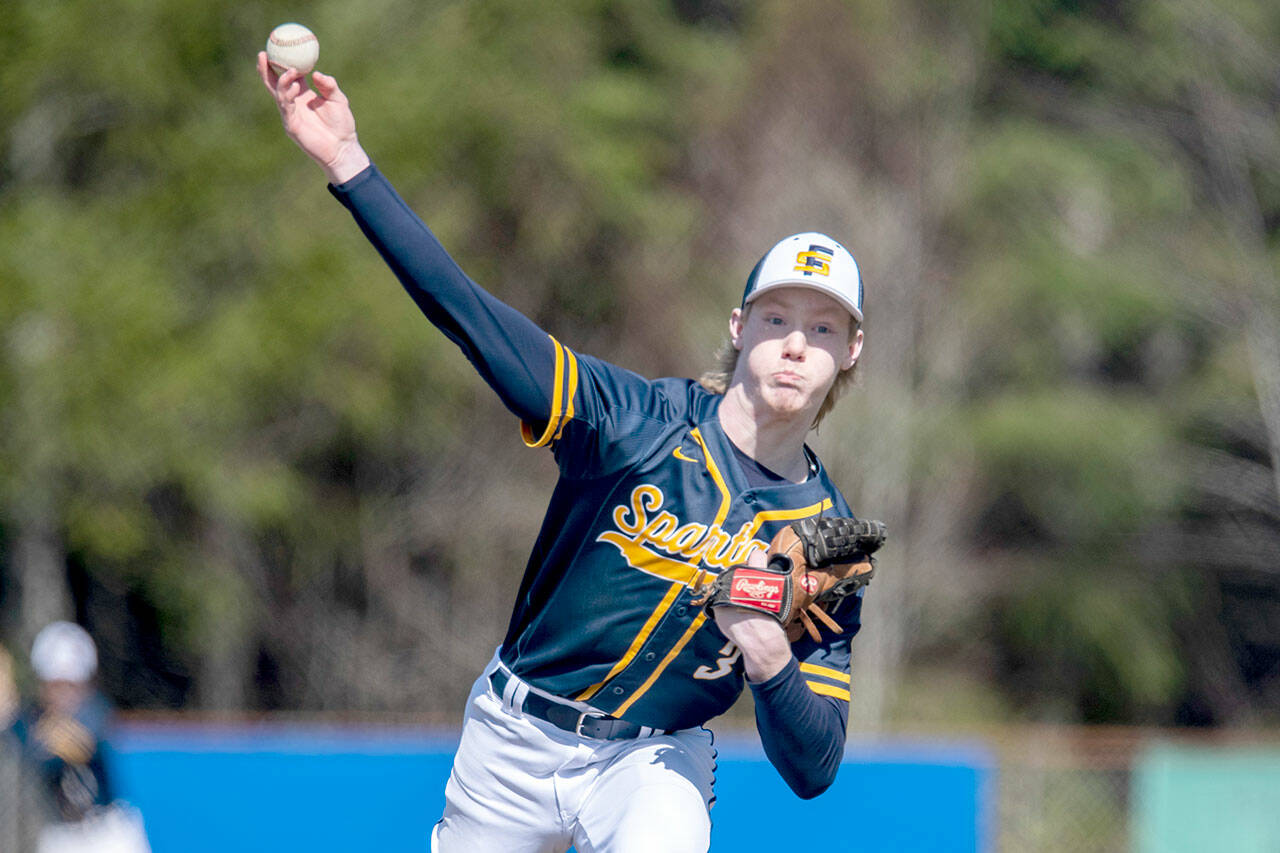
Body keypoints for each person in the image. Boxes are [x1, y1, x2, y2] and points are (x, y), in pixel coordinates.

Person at [258, 53, 871, 853]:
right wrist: (350, 164)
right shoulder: (635, 420)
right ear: (738, 325)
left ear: (851, 350)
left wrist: (766, 655)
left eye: (823, 328)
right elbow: (470, 316)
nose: (796, 344)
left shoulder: (831, 544)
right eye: (777, 317)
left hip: (653, 756)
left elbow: (816, 763)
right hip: (514, 735)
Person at [10, 622, 150, 853]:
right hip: (63, 835)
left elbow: (75, 743)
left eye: (71, 685)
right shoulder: (31, 720)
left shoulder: (96, 711)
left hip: (109, 833)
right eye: (56, 685)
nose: (64, 694)